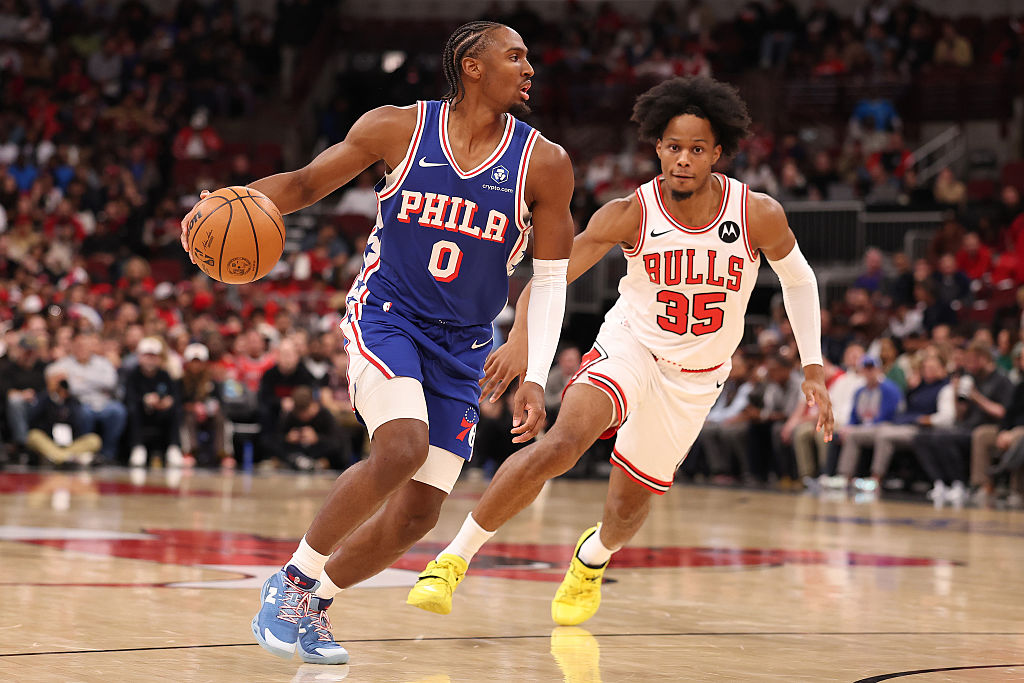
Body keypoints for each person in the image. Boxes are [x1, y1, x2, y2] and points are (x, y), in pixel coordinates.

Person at [180, 21, 573, 664]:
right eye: (515, 56)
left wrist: (535, 373)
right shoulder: (398, 128)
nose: (529, 68)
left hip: (466, 342)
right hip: (388, 314)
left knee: (419, 513)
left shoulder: (545, 163)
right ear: (472, 66)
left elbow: (551, 280)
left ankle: (318, 601)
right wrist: (238, 199)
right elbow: (306, 185)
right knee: (401, 446)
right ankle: (291, 583)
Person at [406, 76, 833, 626]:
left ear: (717, 154)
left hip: (697, 376)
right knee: (563, 443)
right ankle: (452, 558)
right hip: (629, 346)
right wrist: (517, 337)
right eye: (673, 147)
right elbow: (551, 275)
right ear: (657, 147)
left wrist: (814, 368)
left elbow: (799, 282)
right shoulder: (631, 212)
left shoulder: (757, 213)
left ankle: (591, 558)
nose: (683, 159)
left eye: (697, 149)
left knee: (627, 512)